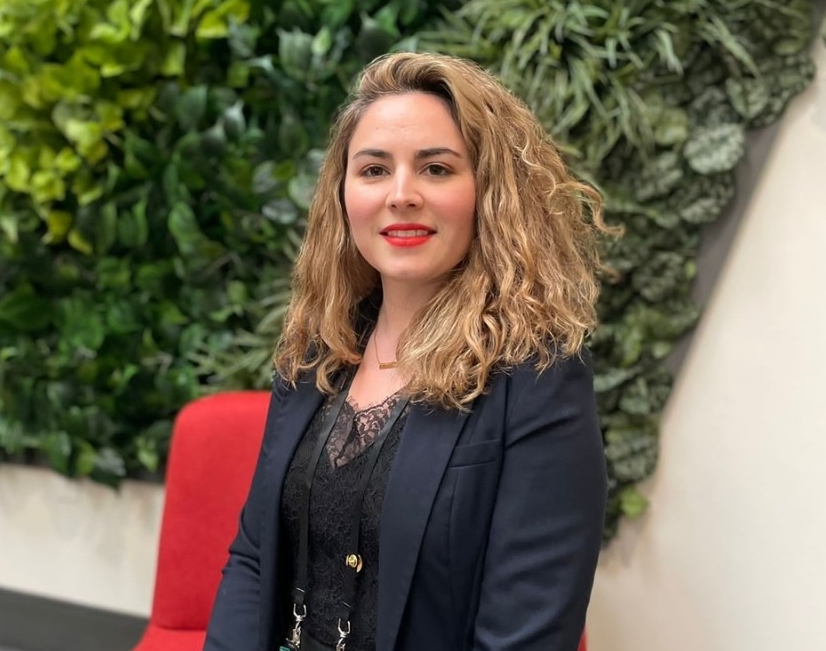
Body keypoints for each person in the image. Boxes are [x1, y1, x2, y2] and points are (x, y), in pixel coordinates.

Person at [204, 51, 612, 651]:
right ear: (344, 195)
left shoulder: (537, 378)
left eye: (437, 169)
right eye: (373, 170)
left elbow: (523, 636)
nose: (401, 194)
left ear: (488, 193)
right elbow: (255, 556)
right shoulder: (321, 349)